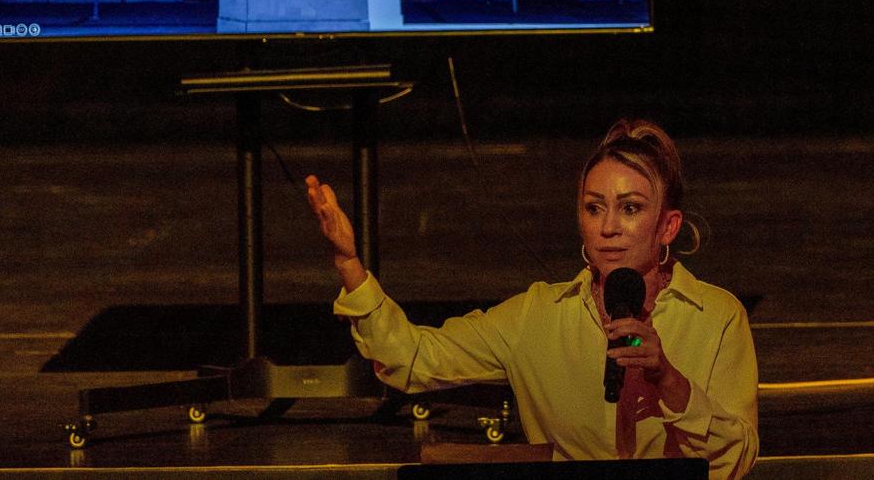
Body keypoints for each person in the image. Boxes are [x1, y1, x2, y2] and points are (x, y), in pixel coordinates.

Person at [306, 119, 758, 478]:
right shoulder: (537, 315)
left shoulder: (717, 316)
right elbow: (413, 357)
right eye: (594, 207)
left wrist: (669, 380)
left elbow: (736, 458)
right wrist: (349, 266)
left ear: (668, 226)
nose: (609, 227)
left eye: (631, 208)